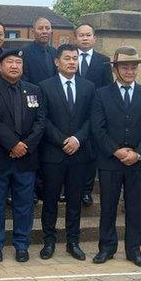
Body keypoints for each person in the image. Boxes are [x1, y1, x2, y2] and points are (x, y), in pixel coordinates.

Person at [91, 46, 141, 268]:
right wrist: (116, 150)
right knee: (108, 206)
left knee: (136, 207)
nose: (129, 71)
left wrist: (138, 153)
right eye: (124, 67)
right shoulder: (101, 94)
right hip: (111, 161)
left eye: (133, 67)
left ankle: (134, 250)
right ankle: (106, 248)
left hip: (137, 163)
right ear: (115, 69)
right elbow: (98, 128)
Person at [0, 49, 45, 262]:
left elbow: (40, 122)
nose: (15, 66)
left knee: (24, 205)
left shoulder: (34, 90)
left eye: (18, 62)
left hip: (26, 158)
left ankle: (21, 244)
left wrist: (25, 145)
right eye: (10, 62)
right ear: (0, 67)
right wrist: (12, 144)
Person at [38, 44, 95, 261]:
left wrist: (78, 139)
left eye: (75, 58)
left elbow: (92, 119)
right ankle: (49, 241)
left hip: (79, 155)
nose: (72, 62)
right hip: (53, 154)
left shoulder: (88, 87)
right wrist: (63, 140)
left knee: (74, 201)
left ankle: (73, 242)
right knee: (50, 200)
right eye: (67, 58)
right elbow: (43, 119)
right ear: (57, 62)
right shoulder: (44, 86)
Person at [74, 24, 113, 206]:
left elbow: (107, 88)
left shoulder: (103, 61)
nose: (84, 38)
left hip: (95, 113)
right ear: (76, 38)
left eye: (88, 35)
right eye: (81, 35)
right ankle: (68, 188)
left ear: (94, 38)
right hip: (72, 112)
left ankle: (86, 191)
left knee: (90, 154)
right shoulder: (69, 58)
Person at [20, 17, 57, 85]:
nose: (44, 31)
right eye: (40, 28)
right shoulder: (25, 53)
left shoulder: (55, 52)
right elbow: (23, 80)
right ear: (33, 32)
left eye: (47, 28)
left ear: (51, 31)